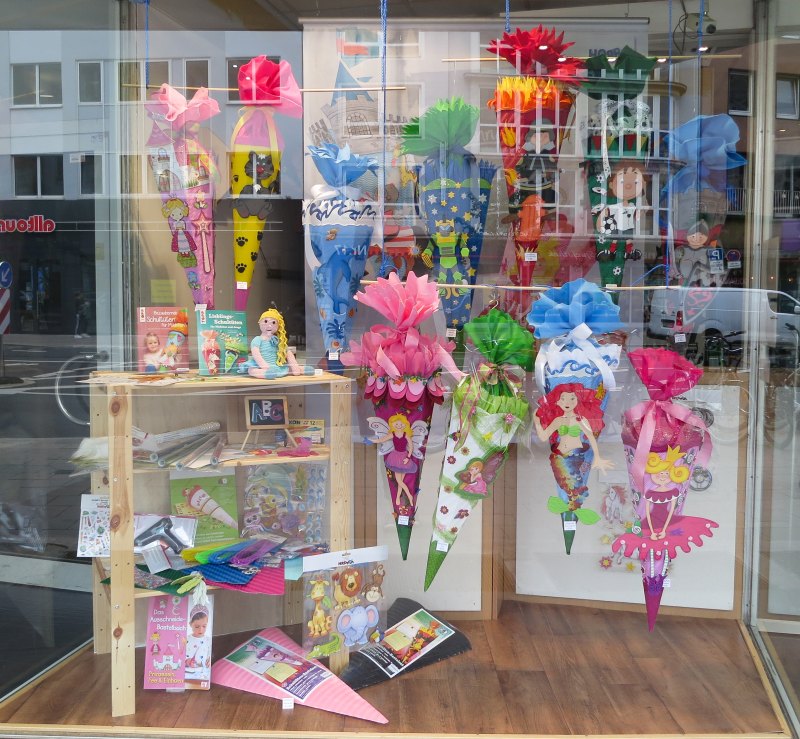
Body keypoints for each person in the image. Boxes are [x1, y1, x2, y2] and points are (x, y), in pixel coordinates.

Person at [534, 384, 613, 510]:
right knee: (564, 486)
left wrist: (597, 457)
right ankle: (568, 509)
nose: (568, 402)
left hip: (576, 457)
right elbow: (544, 437)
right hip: (559, 458)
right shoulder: (558, 420)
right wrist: (537, 422)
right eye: (563, 398)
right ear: (558, 401)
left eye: (572, 398)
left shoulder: (581, 420)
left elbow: (591, 438)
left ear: (577, 400)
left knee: (576, 485)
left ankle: (573, 508)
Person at [239, 308, 315, 379]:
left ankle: (301, 369)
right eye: (265, 321)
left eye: (273, 322)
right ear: (260, 323)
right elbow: (256, 354)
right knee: (251, 370)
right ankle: (266, 373)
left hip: (276, 366)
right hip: (260, 366)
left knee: (287, 368)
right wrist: (265, 366)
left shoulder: (277, 340)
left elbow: (287, 352)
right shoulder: (257, 339)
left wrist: (295, 366)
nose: (269, 325)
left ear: (278, 326)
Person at [641, 447, 691, 540]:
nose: (663, 476)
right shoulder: (650, 493)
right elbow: (647, 513)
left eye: (666, 473)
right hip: (652, 521)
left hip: (668, 521)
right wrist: (652, 532)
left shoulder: (673, 492)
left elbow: (671, 511)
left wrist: (664, 530)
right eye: (660, 473)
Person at [372, 413, 418, 507]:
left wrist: (408, 457)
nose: (399, 426)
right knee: (400, 481)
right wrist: (371, 440)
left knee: (400, 481)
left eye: (401, 424)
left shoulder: (406, 435)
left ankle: (401, 497)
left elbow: (411, 447)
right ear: (393, 425)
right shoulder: (392, 434)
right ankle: (408, 496)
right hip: (395, 457)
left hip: (404, 458)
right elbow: (381, 440)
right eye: (396, 424)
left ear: (404, 425)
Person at [184, 606, 211, 681]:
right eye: (197, 626)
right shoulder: (186, 639)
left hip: (203, 672)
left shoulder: (208, 640)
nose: (201, 630)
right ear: (190, 624)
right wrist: (187, 661)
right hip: (189, 672)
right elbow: (180, 656)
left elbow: (209, 654)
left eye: (204, 626)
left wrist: (209, 660)